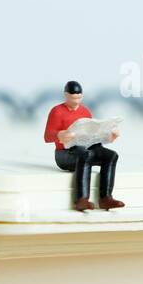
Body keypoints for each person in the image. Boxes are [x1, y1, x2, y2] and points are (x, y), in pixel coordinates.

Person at [42, 80, 124, 211]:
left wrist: (109, 136)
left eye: (79, 98)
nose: (76, 101)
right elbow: (47, 136)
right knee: (85, 155)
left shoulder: (85, 111)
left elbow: (92, 135)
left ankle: (106, 198)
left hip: (85, 147)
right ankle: (81, 199)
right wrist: (59, 135)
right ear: (66, 95)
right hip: (65, 153)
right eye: (73, 98)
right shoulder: (57, 111)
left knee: (110, 156)